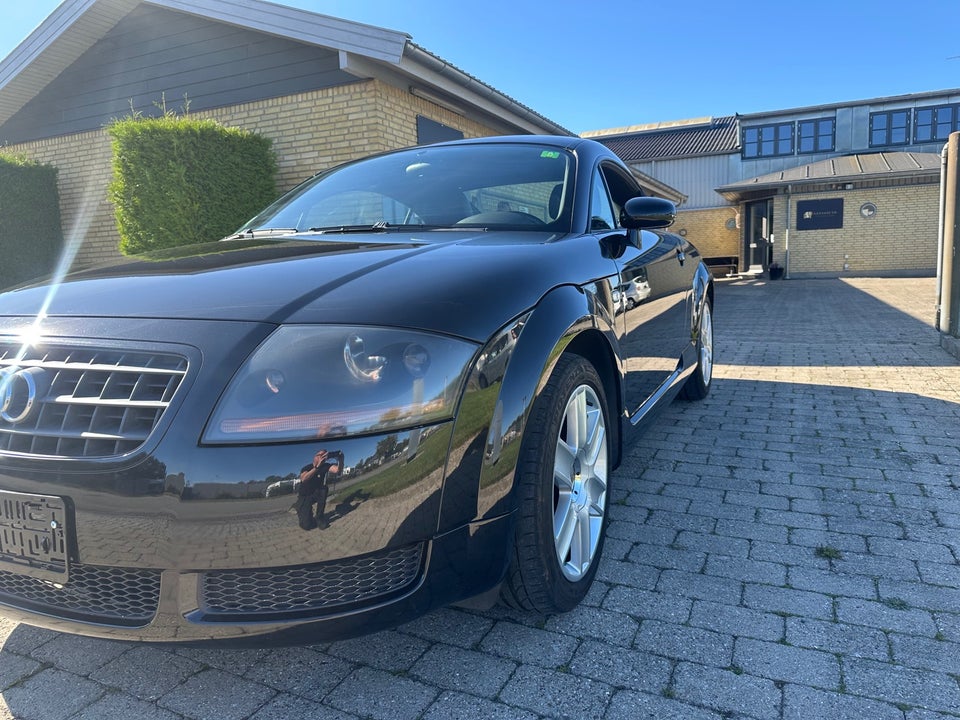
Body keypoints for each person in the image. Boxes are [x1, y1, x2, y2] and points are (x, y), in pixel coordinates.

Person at [295, 449, 340, 530]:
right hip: (305, 496)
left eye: (324, 455)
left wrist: (341, 457)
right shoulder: (307, 467)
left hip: (316, 493)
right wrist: (317, 467)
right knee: (306, 525)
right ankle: (303, 509)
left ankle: (319, 517)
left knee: (323, 489)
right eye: (320, 455)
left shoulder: (325, 465)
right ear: (315, 457)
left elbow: (338, 470)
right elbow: (304, 479)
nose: (322, 457)